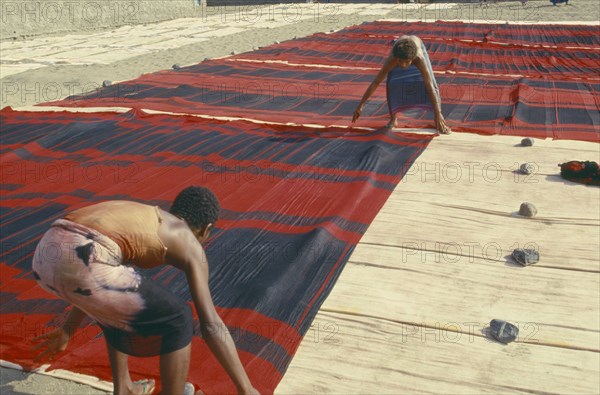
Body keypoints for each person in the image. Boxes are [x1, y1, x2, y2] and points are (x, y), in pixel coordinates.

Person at [31, 186, 259, 395]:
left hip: (45, 254)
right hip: (86, 254)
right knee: (180, 317)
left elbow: (94, 285)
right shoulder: (189, 242)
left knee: (122, 304)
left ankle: (125, 389)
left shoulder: (145, 217)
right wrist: (245, 387)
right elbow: (211, 323)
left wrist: (67, 331)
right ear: (206, 230)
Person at [352, 35, 451, 134]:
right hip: (400, 50)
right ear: (396, 58)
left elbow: (429, 85)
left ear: (412, 59)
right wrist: (361, 105)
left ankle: (439, 119)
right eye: (400, 61)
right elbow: (376, 82)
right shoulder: (393, 59)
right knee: (391, 84)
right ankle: (393, 119)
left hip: (417, 45)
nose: (403, 65)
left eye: (407, 62)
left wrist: (437, 113)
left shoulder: (419, 59)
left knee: (432, 83)